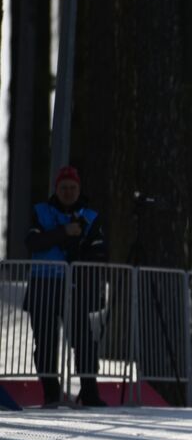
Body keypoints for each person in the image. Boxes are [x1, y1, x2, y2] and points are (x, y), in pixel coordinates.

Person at [24, 165, 108, 407]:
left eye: (73, 188)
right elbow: (32, 241)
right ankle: (51, 392)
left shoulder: (91, 217)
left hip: (76, 286)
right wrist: (64, 232)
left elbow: (101, 252)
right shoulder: (41, 212)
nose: (69, 192)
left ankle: (90, 392)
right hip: (43, 285)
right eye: (64, 188)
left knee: (84, 339)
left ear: (79, 188)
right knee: (46, 341)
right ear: (56, 189)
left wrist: (78, 251)